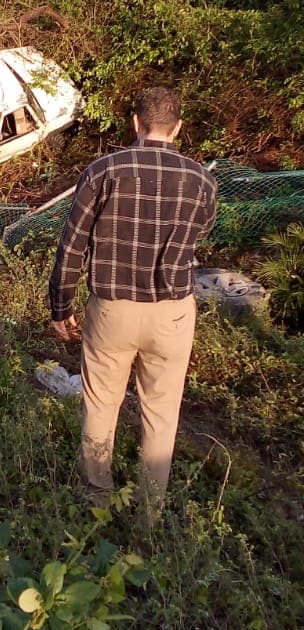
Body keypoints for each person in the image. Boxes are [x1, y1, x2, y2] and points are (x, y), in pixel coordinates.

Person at [48, 87, 217, 509]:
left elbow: (73, 245)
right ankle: (150, 516)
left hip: (112, 309)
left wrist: (61, 307)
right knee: (161, 414)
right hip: (173, 313)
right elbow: (202, 234)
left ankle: (97, 504)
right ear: (177, 127)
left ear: (135, 123)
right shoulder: (202, 180)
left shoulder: (104, 170)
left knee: (101, 404)